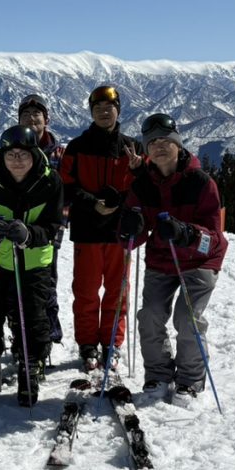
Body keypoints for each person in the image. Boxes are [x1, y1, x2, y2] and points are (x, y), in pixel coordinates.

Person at [117, 113, 228, 407]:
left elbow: (213, 239)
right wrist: (131, 228)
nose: (160, 147)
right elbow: (132, 237)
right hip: (162, 259)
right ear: (146, 150)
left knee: (186, 317)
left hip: (200, 261)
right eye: (153, 143)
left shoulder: (201, 183)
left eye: (166, 141)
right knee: (150, 315)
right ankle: (158, 375)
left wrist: (186, 233)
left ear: (178, 144)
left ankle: (190, 381)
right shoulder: (142, 186)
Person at [0, 126, 64, 406]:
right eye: (11, 154)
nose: (17, 160)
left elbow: (53, 225)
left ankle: (30, 367)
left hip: (34, 260)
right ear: (3, 154)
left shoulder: (49, 181)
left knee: (33, 317)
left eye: (23, 154)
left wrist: (29, 234)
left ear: (35, 154)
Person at [59, 85, 142, 372]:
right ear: (91, 113)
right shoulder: (77, 147)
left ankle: (111, 343)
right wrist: (92, 203)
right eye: (98, 109)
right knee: (86, 291)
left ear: (118, 110)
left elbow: (144, 189)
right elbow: (65, 186)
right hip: (88, 229)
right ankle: (87, 344)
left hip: (119, 231)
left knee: (117, 291)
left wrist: (138, 171)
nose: (104, 113)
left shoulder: (132, 147)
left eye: (109, 108)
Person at [17, 93, 66, 345]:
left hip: (49, 228)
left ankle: (48, 328)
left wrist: (61, 218)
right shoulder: (14, 150)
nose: (31, 119)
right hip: (19, 227)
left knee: (45, 279)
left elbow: (67, 190)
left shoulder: (59, 153)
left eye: (36, 115)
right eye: (26, 115)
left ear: (46, 120)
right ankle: (22, 331)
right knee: (19, 279)